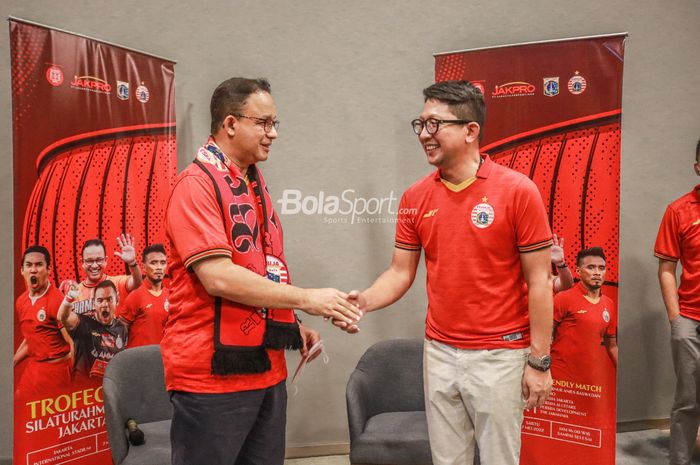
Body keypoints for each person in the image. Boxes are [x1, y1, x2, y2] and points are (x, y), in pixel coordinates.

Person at [336, 80, 553, 465]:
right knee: (447, 460)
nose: (424, 135)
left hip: (499, 356)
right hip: (439, 353)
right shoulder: (415, 198)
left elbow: (540, 282)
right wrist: (364, 300)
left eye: (434, 124)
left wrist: (539, 362)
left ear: (471, 130)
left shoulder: (519, 191)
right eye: (420, 125)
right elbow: (400, 272)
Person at [163, 77, 362, 465]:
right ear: (231, 124)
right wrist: (308, 297)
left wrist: (291, 323)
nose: (273, 134)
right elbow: (218, 276)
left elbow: (262, 268)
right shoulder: (195, 185)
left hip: (266, 369)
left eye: (275, 123)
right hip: (211, 378)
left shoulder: (253, 184)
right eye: (264, 123)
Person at [655, 139, 700, 465]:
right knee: (688, 400)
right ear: (697, 167)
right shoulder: (679, 210)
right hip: (690, 320)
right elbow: (667, 268)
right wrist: (676, 319)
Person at [13, 245, 73, 399]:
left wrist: (72, 378)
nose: (33, 270)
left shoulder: (57, 301)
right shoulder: (21, 302)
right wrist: (11, 362)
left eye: (39, 265)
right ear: (22, 270)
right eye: (28, 265)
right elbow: (32, 337)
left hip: (56, 371)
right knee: (18, 403)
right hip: (33, 368)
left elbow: (73, 343)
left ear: (48, 269)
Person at [551, 246, 617, 377]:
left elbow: (612, 346)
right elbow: (545, 337)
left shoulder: (609, 304)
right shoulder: (563, 298)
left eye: (601, 268)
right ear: (578, 271)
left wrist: (624, 374)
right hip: (560, 376)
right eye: (591, 267)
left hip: (589, 378)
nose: (597, 272)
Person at [59, 280, 128, 378]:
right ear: (94, 304)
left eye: (109, 299)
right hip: (84, 388)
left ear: (117, 300)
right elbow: (63, 317)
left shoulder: (121, 328)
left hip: (108, 386)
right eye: (100, 300)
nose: (105, 304)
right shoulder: (82, 323)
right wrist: (69, 297)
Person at [71, 235, 142, 314]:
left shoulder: (117, 283)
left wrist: (132, 263)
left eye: (99, 260)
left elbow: (137, 282)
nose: (94, 265)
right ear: (82, 263)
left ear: (106, 260)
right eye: (89, 261)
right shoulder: (75, 293)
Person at [117, 243, 169, 347]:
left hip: (164, 359)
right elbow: (119, 332)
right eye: (154, 263)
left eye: (162, 263)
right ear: (144, 267)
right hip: (138, 360)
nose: (159, 267)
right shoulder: (135, 296)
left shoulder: (171, 295)